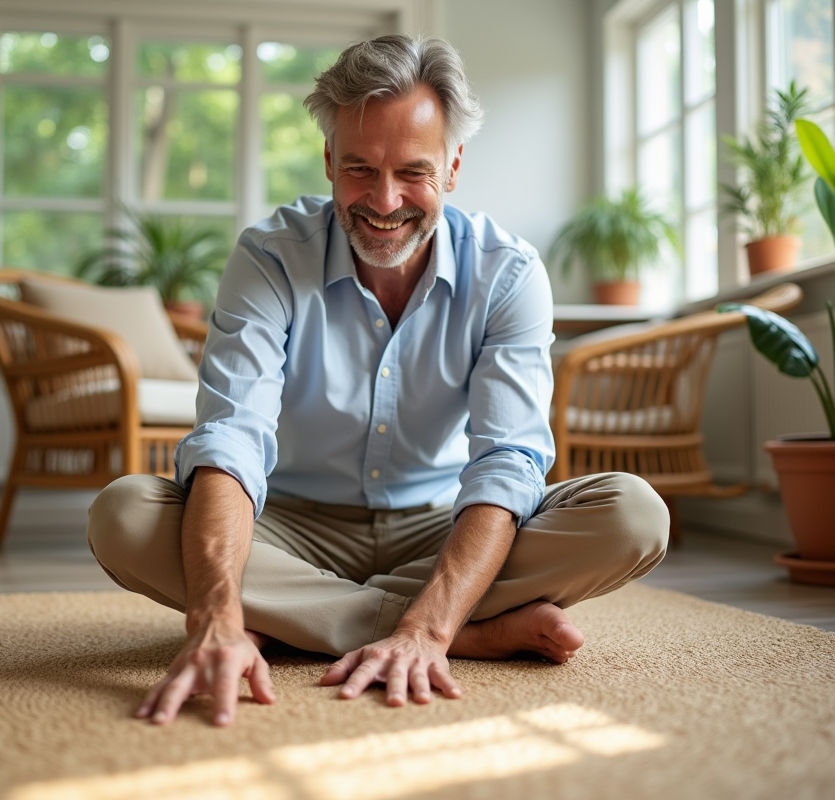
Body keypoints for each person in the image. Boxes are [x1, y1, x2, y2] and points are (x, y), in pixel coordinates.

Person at [86, 34, 668, 728]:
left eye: (413, 172)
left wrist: (424, 628)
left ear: (454, 167)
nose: (385, 201)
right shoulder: (269, 258)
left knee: (634, 516)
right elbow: (230, 439)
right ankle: (472, 631)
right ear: (329, 160)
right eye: (360, 168)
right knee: (123, 516)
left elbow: (507, 461)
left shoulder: (508, 273)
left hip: (441, 524)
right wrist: (214, 616)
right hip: (286, 526)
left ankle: (302, 620)